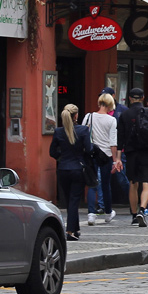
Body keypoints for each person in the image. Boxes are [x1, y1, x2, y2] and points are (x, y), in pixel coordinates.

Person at [49, 103, 93, 241]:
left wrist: (61, 158)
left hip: (63, 169)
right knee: (74, 200)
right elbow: (89, 149)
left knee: (69, 201)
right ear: (76, 116)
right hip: (78, 168)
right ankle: (69, 231)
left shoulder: (58, 132)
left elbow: (52, 152)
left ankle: (75, 228)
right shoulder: (83, 130)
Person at [117, 88, 148, 226]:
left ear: (129, 98)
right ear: (142, 98)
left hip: (131, 152)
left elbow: (120, 138)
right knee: (147, 183)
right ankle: (142, 210)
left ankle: (134, 215)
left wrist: (118, 158)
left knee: (133, 183)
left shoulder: (125, 115)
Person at [84, 93, 122, 225]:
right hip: (105, 155)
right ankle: (108, 212)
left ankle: (91, 214)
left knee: (92, 184)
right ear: (110, 104)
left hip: (91, 154)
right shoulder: (111, 120)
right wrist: (115, 160)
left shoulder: (89, 116)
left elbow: (83, 133)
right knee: (105, 185)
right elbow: (113, 142)